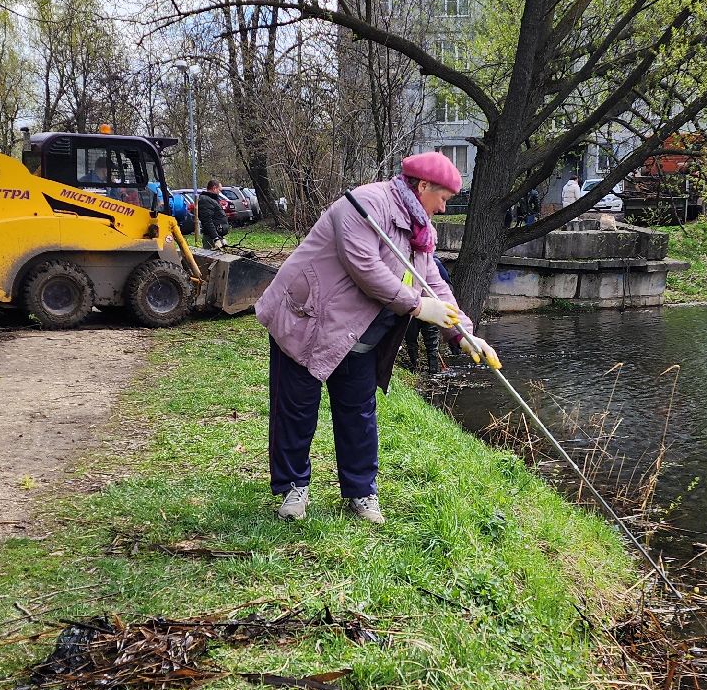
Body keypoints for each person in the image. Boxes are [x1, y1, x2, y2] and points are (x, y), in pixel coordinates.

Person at [255, 152, 500, 524]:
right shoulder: (365, 204)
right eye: (443, 199)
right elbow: (364, 267)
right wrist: (417, 308)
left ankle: (361, 492)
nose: (444, 208)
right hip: (309, 319)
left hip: (358, 335)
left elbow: (432, 283)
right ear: (422, 186)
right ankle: (293, 488)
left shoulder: (421, 230)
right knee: (296, 407)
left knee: (358, 413)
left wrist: (462, 333)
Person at [197, 179, 230, 249]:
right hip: (211, 238)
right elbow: (207, 221)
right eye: (219, 190)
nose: (220, 192)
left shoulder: (212, 199)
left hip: (216, 235)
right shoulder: (205, 200)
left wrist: (220, 237)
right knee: (210, 258)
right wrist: (215, 238)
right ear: (214, 188)